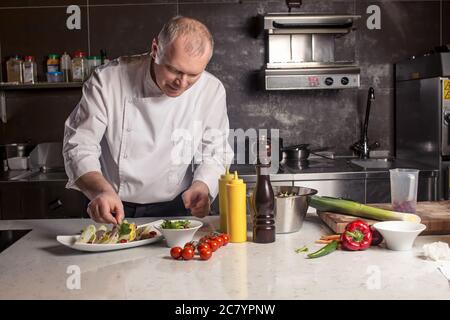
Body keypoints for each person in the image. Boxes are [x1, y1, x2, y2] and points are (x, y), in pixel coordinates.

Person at [63, 16, 233, 225]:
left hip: (176, 207)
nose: (181, 83)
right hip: (113, 205)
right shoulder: (108, 80)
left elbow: (216, 151)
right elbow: (79, 145)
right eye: (174, 70)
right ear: (155, 49)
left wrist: (203, 185)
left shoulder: (211, 90)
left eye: (193, 75)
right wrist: (101, 190)